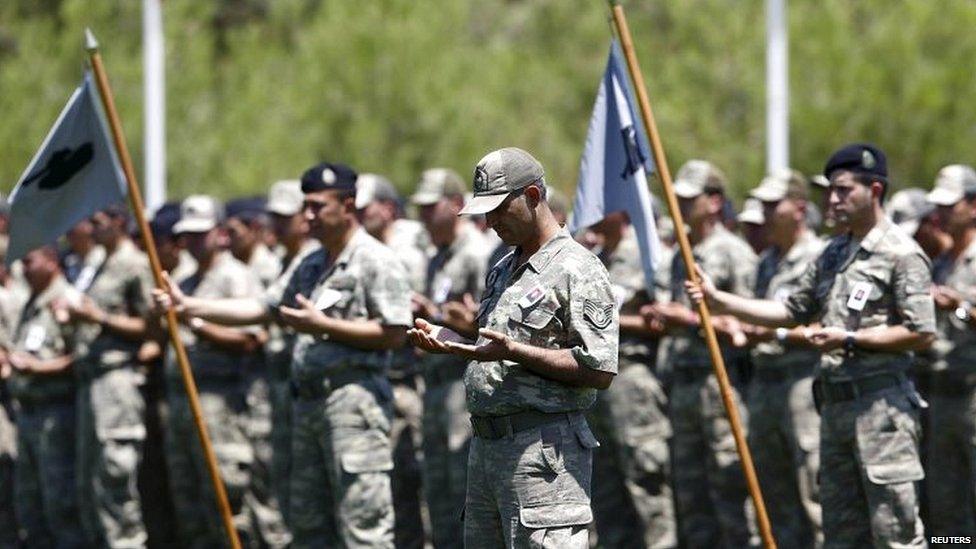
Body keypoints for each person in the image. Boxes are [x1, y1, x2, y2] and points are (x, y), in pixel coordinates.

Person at [686, 143, 935, 547]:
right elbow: (790, 309)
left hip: (882, 410)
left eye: (842, 190)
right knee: (840, 533)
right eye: (829, 191)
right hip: (834, 408)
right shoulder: (833, 252)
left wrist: (851, 338)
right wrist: (719, 301)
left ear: (874, 191)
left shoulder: (901, 254)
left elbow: (921, 332)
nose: (832, 200)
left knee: (895, 531)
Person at [154, 162, 412, 548]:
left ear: (348, 205)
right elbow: (262, 308)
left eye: (318, 206)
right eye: (305, 206)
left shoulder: (375, 259)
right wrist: (188, 306)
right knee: (309, 528)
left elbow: (395, 331)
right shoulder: (310, 262)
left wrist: (324, 325)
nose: (308, 216)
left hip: (353, 406)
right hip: (307, 407)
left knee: (363, 529)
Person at [408, 147, 618, 548]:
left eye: (500, 209)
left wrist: (514, 352)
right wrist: (455, 344)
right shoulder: (503, 267)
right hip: (487, 449)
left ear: (534, 197)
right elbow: (493, 345)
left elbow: (599, 368)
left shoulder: (578, 268)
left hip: (543, 454)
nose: (489, 223)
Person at [644, 159, 758, 548]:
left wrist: (689, 318)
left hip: (720, 381)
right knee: (691, 495)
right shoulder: (682, 253)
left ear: (713, 201)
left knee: (731, 490)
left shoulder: (733, 252)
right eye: (678, 199)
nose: (681, 206)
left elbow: (749, 325)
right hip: (684, 382)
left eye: (690, 199)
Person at [160, 195, 268, 547]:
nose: (191, 242)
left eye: (199, 234)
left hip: (221, 404)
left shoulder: (236, 277)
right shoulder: (185, 281)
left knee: (228, 501)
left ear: (220, 234)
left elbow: (252, 339)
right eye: (186, 235)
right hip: (182, 405)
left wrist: (198, 323)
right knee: (189, 503)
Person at [59, 204, 151, 547]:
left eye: (98, 222)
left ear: (119, 223)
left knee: (115, 480)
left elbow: (151, 328)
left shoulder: (134, 263)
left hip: (116, 382)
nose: (91, 229)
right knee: (90, 485)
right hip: (90, 381)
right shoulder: (98, 263)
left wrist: (100, 317)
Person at [586, 211, 676, 549]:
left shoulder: (649, 255)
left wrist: (607, 322)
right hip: (594, 381)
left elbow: (666, 319)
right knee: (606, 492)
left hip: (633, 378)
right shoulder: (591, 260)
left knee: (647, 484)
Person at [745, 169, 825, 547]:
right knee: (772, 492)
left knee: (812, 490)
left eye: (773, 204)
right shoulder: (767, 261)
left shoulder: (820, 256)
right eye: (763, 204)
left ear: (799, 208)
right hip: (764, 383)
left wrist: (772, 332)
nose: (765, 212)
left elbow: (824, 325)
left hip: (802, 383)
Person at [410, 166, 489, 548]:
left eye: (431, 207)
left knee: (463, 485)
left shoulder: (478, 253)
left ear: (457, 205)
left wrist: (458, 321)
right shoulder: (436, 257)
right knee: (437, 486)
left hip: (463, 382)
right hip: (435, 382)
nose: (423, 217)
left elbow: (489, 325)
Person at [356, 172, 428, 548]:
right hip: (385, 378)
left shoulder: (411, 249)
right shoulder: (364, 250)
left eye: (364, 208)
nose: (357, 215)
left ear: (386, 207)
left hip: (415, 379)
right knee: (393, 486)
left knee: (421, 482)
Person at [5, 246, 86, 547]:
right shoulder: (31, 302)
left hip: (57, 415)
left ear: (51, 261)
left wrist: (40, 367)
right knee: (30, 505)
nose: (24, 269)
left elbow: (82, 357)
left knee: (61, 505)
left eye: (29, 262)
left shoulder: (68, 299)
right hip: (28, 415)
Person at [224, 195, 291, 547]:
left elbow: (261, 330)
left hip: (273, 387)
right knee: (249, 484)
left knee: (269, 488)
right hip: (252, 389)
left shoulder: (271, 268)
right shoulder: (244, 267)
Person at [923, 164, 976, 538]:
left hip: (973, 395)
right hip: (942, 397)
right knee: (945, 508)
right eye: (937, 206)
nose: (940, 213)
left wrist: (960, 306)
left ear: (973, 205)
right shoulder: (942, 263)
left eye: (950, 205)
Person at [263, 179, 319, 531]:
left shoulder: (312, 260)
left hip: (315, 387)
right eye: (275, 217)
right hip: (284, 385)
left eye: (286, 216)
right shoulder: (286, 262)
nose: (279, 224)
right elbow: (264, 308)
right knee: (288, 485)